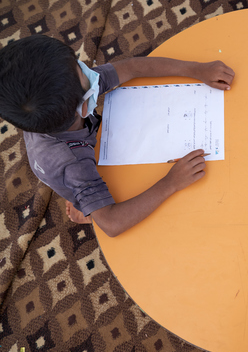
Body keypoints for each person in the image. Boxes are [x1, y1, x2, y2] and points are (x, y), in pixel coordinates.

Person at [0, 35, 235, 237]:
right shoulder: (75, 163)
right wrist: (170, 183)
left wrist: (195, 70)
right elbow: (112, 224)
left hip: (60, 156)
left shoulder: (59, 100)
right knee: (91, 198)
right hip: (65, 169)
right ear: (84, 107)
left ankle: (84, 199)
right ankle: (85, 205)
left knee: (81, 183)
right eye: (81, 69)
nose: (88, 70)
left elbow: (132, 68)